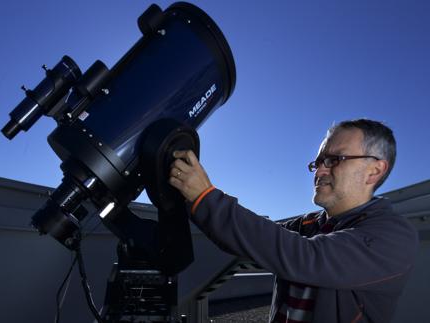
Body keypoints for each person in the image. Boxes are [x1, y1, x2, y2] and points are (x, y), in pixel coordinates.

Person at [168, 119, 418, 322]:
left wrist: (205, 197)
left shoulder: (393, 236)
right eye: (319, 162)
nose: (319, 171)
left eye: (334, 160)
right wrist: (188, 197)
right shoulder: (310, 225)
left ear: (374, 171)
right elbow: (250, 242)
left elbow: (305, 257)